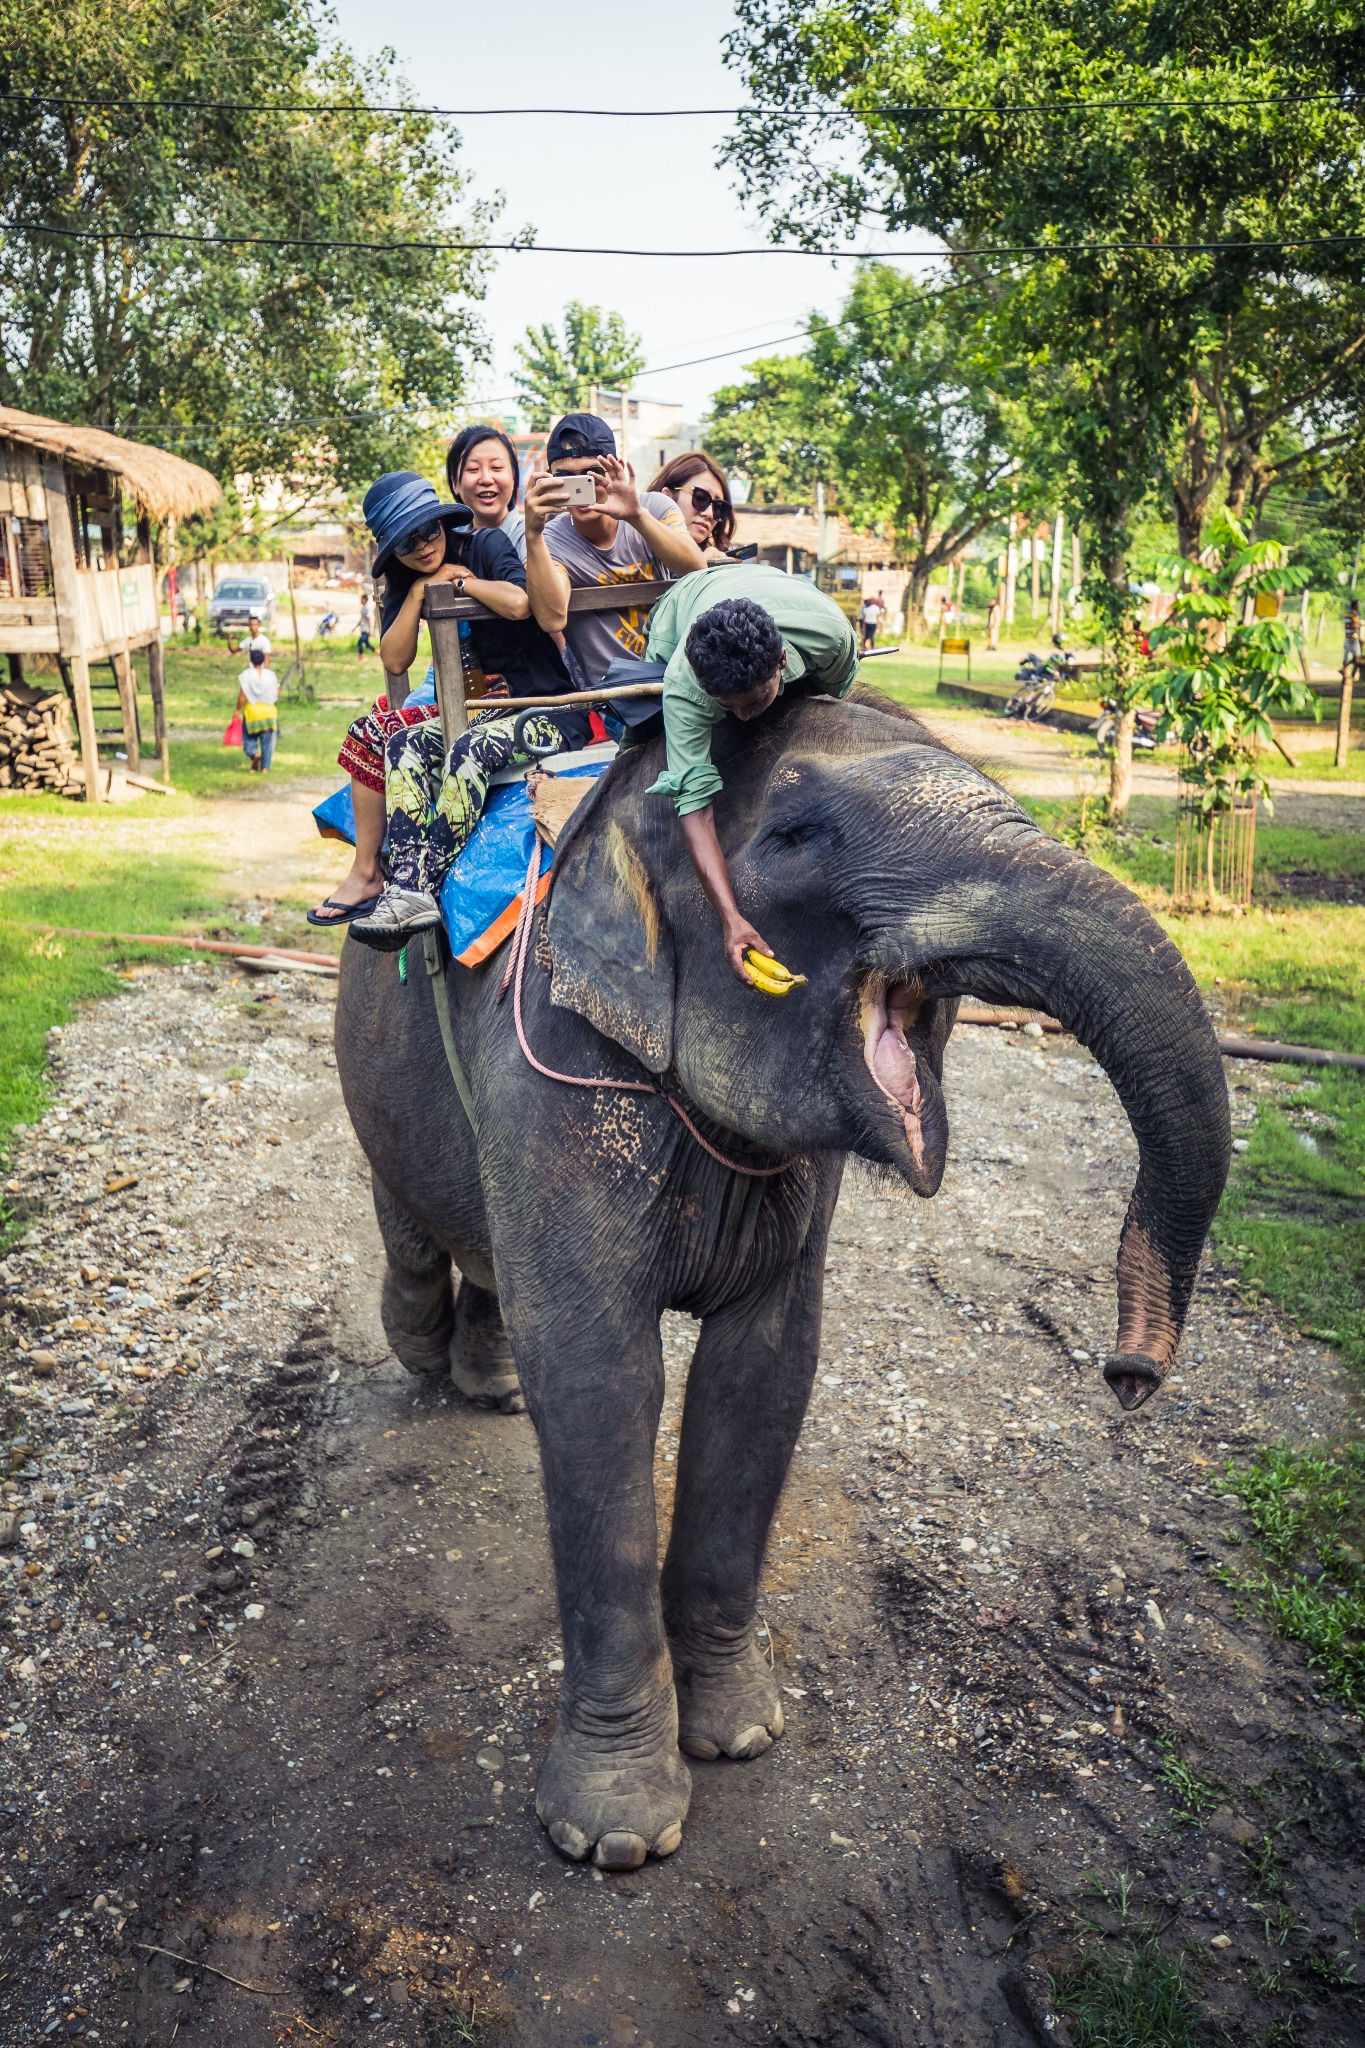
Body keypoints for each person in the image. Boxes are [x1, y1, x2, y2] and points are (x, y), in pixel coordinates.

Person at [337, 471, 586, 950]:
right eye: (407, 542)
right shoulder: (406, 579)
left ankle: (415, 886)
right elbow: (394, 659)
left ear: (442, 522)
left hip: (546, 712)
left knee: (470, 748)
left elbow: (519, 605)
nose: (424, 546)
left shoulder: (485, 545)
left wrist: (466, 586)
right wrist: (417, 594)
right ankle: (406, 885)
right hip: (483, 711)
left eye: (428, 531)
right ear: (393, 551)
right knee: (403, 741)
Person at [643, 562, 859, 983]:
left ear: (781, 660)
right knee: (641, 734)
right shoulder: (685, 685)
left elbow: (833, 713)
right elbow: (696, 810)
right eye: (728, 706)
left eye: (753, 702)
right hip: (683, 602)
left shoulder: (831, 638)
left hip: (780, 592)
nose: (742, 718)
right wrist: (731, 918)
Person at [523, 412, 705, 687]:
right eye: (566, 479)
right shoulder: (550, 539)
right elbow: (551, 619)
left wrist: (636, 516)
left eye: (591, 475)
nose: (582, 488)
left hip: (673, 681)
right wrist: (532, 534)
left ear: (615, 469)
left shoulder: (653, 508)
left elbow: (696, 568)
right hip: (611, 698)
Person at [446, 424, 526, 560]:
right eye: (473, 469)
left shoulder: (531, 536)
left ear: (513, 477)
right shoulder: (448, 542)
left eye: (496, 467)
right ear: (455, 483)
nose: (486, 479)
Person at [648, 451, 736, 564]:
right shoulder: (631, 550)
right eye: (700, 498)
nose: (710, 514)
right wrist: (702, 563)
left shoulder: (714, 557)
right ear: (666, 497)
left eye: (718, 508)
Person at [236, 645, 279, 775]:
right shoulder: (271, 675)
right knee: (267, 743)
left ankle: (254, 755)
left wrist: (237, 709)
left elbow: (242, 696)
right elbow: (277, 693)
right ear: (262, 660)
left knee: (249, 739)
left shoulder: (246, 675)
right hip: (269, 712)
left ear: (251, 660)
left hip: (252, 713)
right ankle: (265, 768)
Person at [356, 592, 375, 659]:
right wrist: (355, 627)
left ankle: (361, 658)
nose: (360, 600)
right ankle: (378, 652)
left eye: (361, 599)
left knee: (360, 643)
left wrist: (371, 630)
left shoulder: (367, 608)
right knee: (367, 645)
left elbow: (369, 619)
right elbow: (361, 620)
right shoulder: (363, 608)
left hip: (366, 629)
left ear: (364, 599)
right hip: (363, 629)